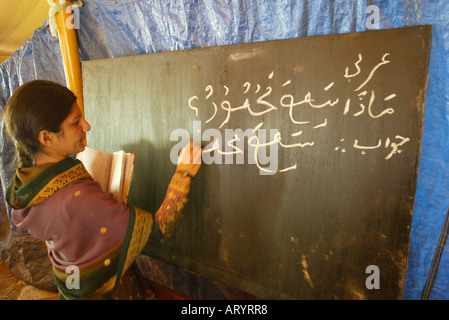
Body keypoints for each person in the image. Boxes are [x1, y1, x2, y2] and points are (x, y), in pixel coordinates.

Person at [3, 80, 202, 300]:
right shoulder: (78, 197)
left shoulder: (28, 185)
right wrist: (183, 174)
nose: (86, 126)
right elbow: (160, 230)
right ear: (46, 137)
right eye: (76, 122)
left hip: (73, 286)